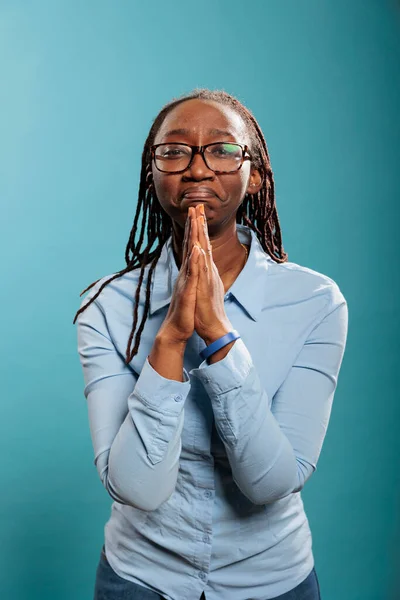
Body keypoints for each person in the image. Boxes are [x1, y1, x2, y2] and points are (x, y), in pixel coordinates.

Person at [74, 88, 348, 600]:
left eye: (222, 150)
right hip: (140, 580)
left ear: (256, 175)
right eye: (174, 151)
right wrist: (172, 338)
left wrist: (219, 338)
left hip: (272, 581)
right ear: (151, 173)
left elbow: (270, 483)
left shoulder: (316, 302)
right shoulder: (107, 307)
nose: (197, 169)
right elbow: (138, 487)